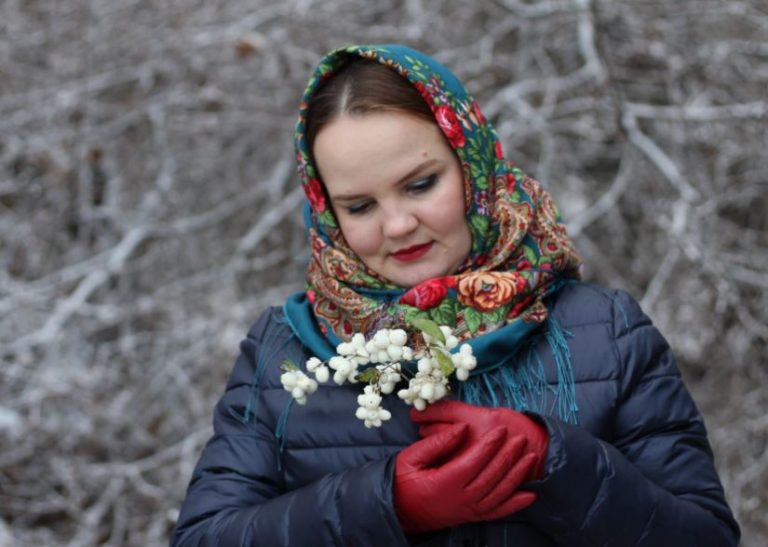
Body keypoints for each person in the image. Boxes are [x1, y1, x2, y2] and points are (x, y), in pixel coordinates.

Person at [170, 44, 740, 546]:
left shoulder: (606, 331)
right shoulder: (284, 351)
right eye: (360, 206)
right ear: (326, 212)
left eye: (421, 184)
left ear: (471, 166)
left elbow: (704, 535)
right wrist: (387, 506)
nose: (396, 225)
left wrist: (554, 462)